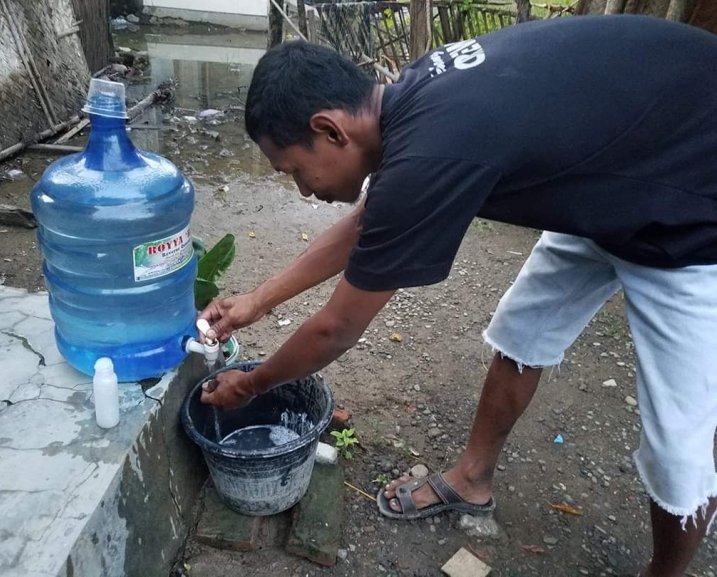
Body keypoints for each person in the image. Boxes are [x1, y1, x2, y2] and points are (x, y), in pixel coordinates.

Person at [198, 15, 717, 577]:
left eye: (295, 170)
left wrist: (252, 384)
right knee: (521, 336)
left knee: (677, 445)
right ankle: (472, 479)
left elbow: (337, 328)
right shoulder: (414, 99)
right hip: (605, 190)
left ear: (330, 129)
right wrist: (257, 301)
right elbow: (375, 220)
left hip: (688, 217)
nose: (304, 190)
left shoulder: (430, 152)